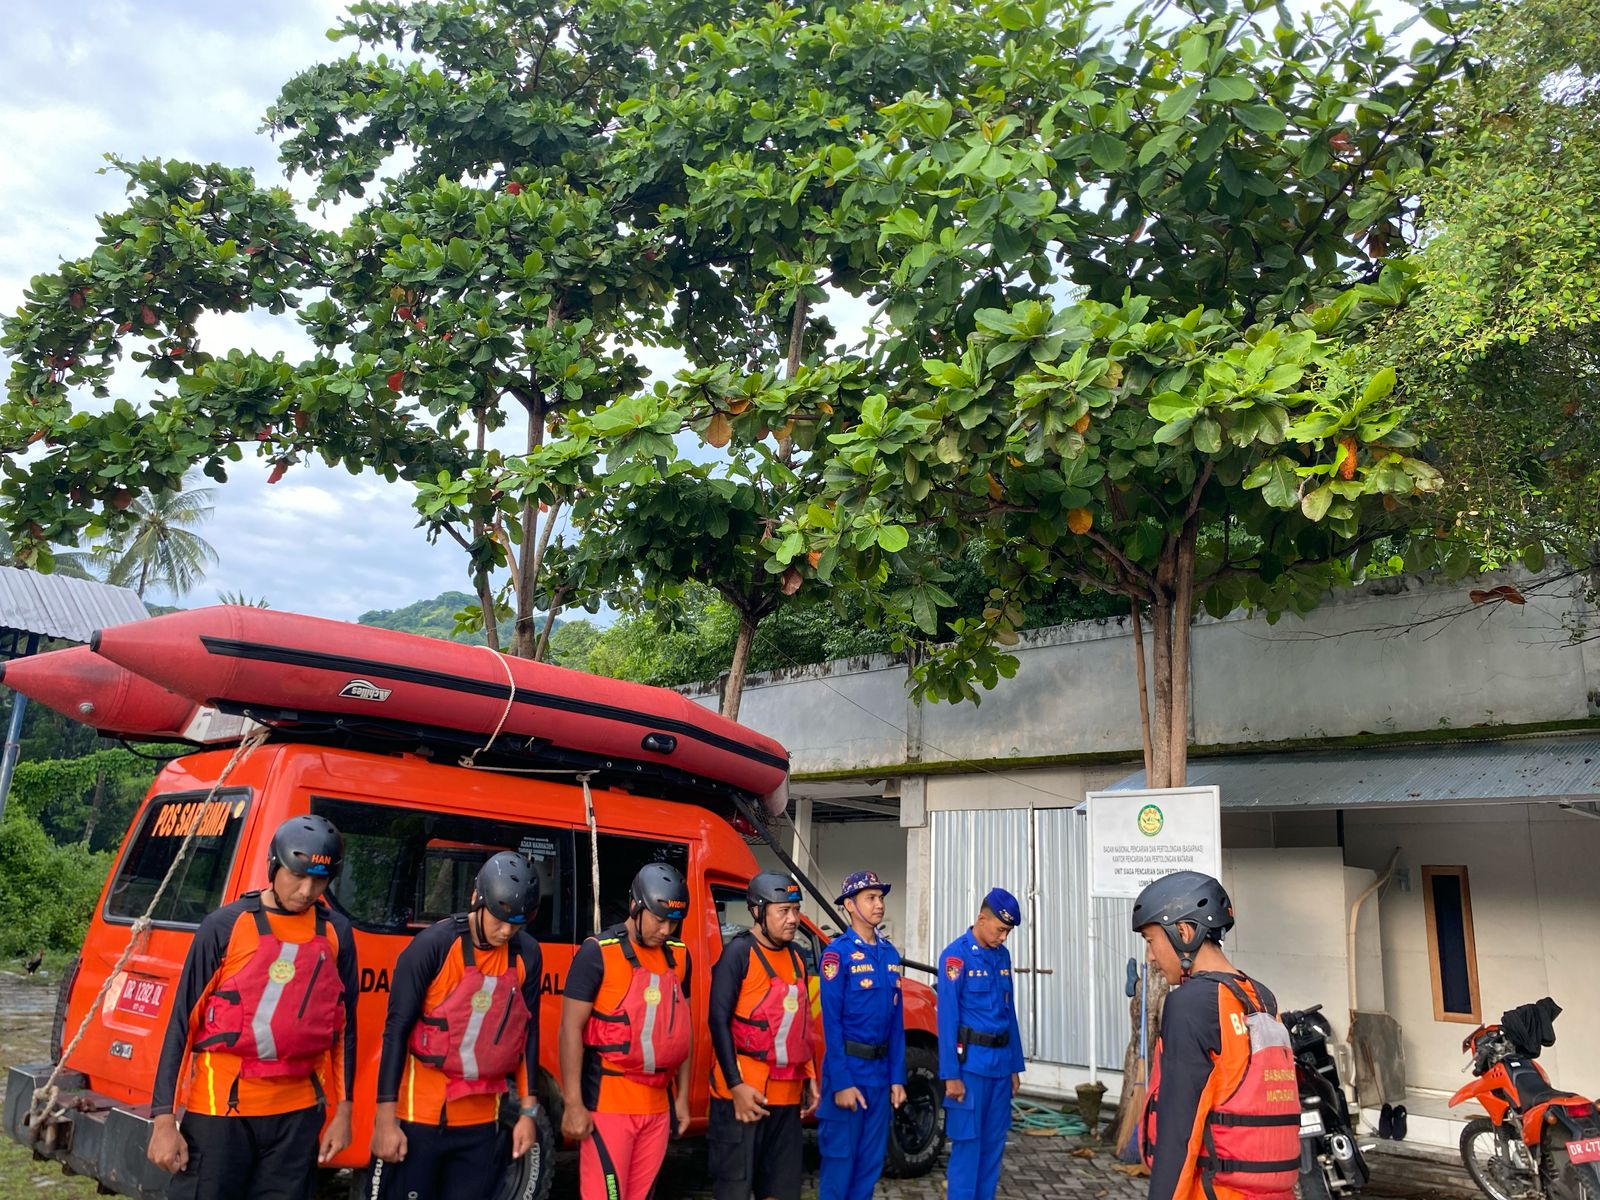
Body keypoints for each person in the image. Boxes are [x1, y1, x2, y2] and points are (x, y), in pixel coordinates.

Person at [146, 814, 358, 1200]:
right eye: (297, 875)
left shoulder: (337, 932)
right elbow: (182, 1024)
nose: (307, 890)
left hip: (297, 1117)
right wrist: (163, 1119)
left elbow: (345, 1029)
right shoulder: (225, 926)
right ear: (275, 865)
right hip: (221, 1113)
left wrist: (344, 1111)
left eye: (320, 880)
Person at [369, 851, 545, 1200]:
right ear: (477, 899)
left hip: (481, 1123)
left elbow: (528, 1033)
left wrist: (528, 1112)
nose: (506, 931)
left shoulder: (527, 954)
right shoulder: (433, 946)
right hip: (419, 1118)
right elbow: (397, 1030)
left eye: (517, 924)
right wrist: (385, 1120)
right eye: (500, 919)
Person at [1133, 871, 1301, 1200]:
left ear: (1183, 932)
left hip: (1216, 1191)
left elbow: (1178, 1131)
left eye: (1151, 941)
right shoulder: (1260, 997)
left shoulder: (1190, 1004)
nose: (1150, 957)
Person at [559, 862, 695, 1200]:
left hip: (658, 1107)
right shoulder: (597, 953)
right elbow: (570, 1030)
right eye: (659, 920)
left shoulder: (680, 957)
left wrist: (681, 1099)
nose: (666, 929)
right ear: (636, 906)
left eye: (673, 922)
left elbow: (683, 1031)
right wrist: (573, 1104)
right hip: (608, 1104)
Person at [708, 871, 819, 1200]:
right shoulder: (738, 954)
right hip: (744, 1096)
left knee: (781, 1191)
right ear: (758, 911)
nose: (793, 919)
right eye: (783, 911)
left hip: (787, 1099)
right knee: (735, 1190)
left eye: (795, 910)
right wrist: (735, 1085)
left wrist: (810, 1076)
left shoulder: (798, 956)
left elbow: (801, 1023)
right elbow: (718, 1021)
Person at [817, 870, 905, 1200]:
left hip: (879, 1076)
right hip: (849, 1072)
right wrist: (841, 1083)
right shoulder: (837, 955)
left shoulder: (890, 954)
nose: (879, 904)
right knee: (840, 1168)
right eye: (870, 898)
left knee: (869, 1167)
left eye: (880, 897)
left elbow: (896, 1024)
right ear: (850, 906)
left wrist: (897, 1078)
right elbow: (831, 1023)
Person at [938, 887, 1025, 1200]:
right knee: (967, 1151)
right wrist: (950, 1074)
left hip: (1000, 1068)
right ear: (981, 919)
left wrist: (1014, 1067)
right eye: (1000, 929)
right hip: (970, 1069)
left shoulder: (1002, 956)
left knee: (992, 1151)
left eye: (1008, 932)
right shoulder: (955, 957)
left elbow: (1008, 1012)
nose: (1004, 937)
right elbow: (947, 1019)